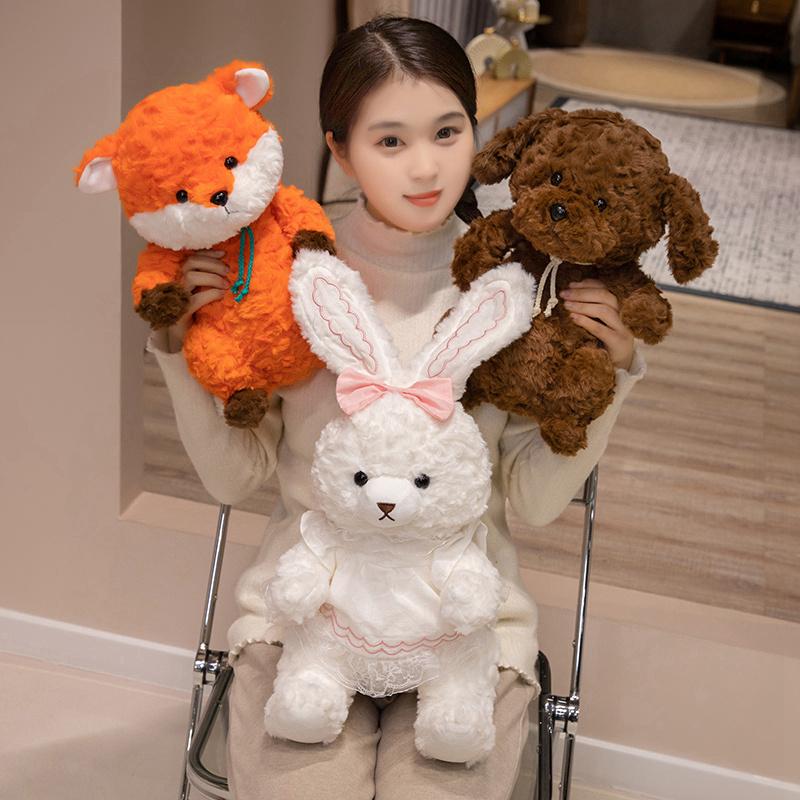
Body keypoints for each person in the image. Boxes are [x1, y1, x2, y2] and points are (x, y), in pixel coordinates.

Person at [148, 16, 645, 800]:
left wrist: (612, 378)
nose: (425, 166)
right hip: (307, 612)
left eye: (447, 132)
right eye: (390, 140)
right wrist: (179, 351)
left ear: (476, 131)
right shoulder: (290, 274)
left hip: (465, 621)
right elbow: (234, 478)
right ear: (341, 149)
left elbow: (533, 499)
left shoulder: (514, 287)